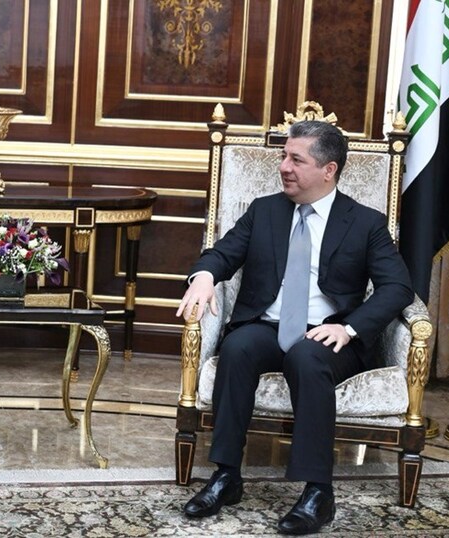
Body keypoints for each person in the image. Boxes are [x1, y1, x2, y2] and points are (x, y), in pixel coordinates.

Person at [175, 120, 412, 535]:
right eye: (283, 156)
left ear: (328, 169)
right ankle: (226, 476)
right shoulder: (264, 211)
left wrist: (349, 329)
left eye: (296, 160)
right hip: (268, 325)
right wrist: (205, 276)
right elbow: (222, 254)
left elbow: (398, 288)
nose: (283, 166)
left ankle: (318, 492)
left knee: (306, 357)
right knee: (238, 347)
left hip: (329, 334)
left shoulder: (365, 223)